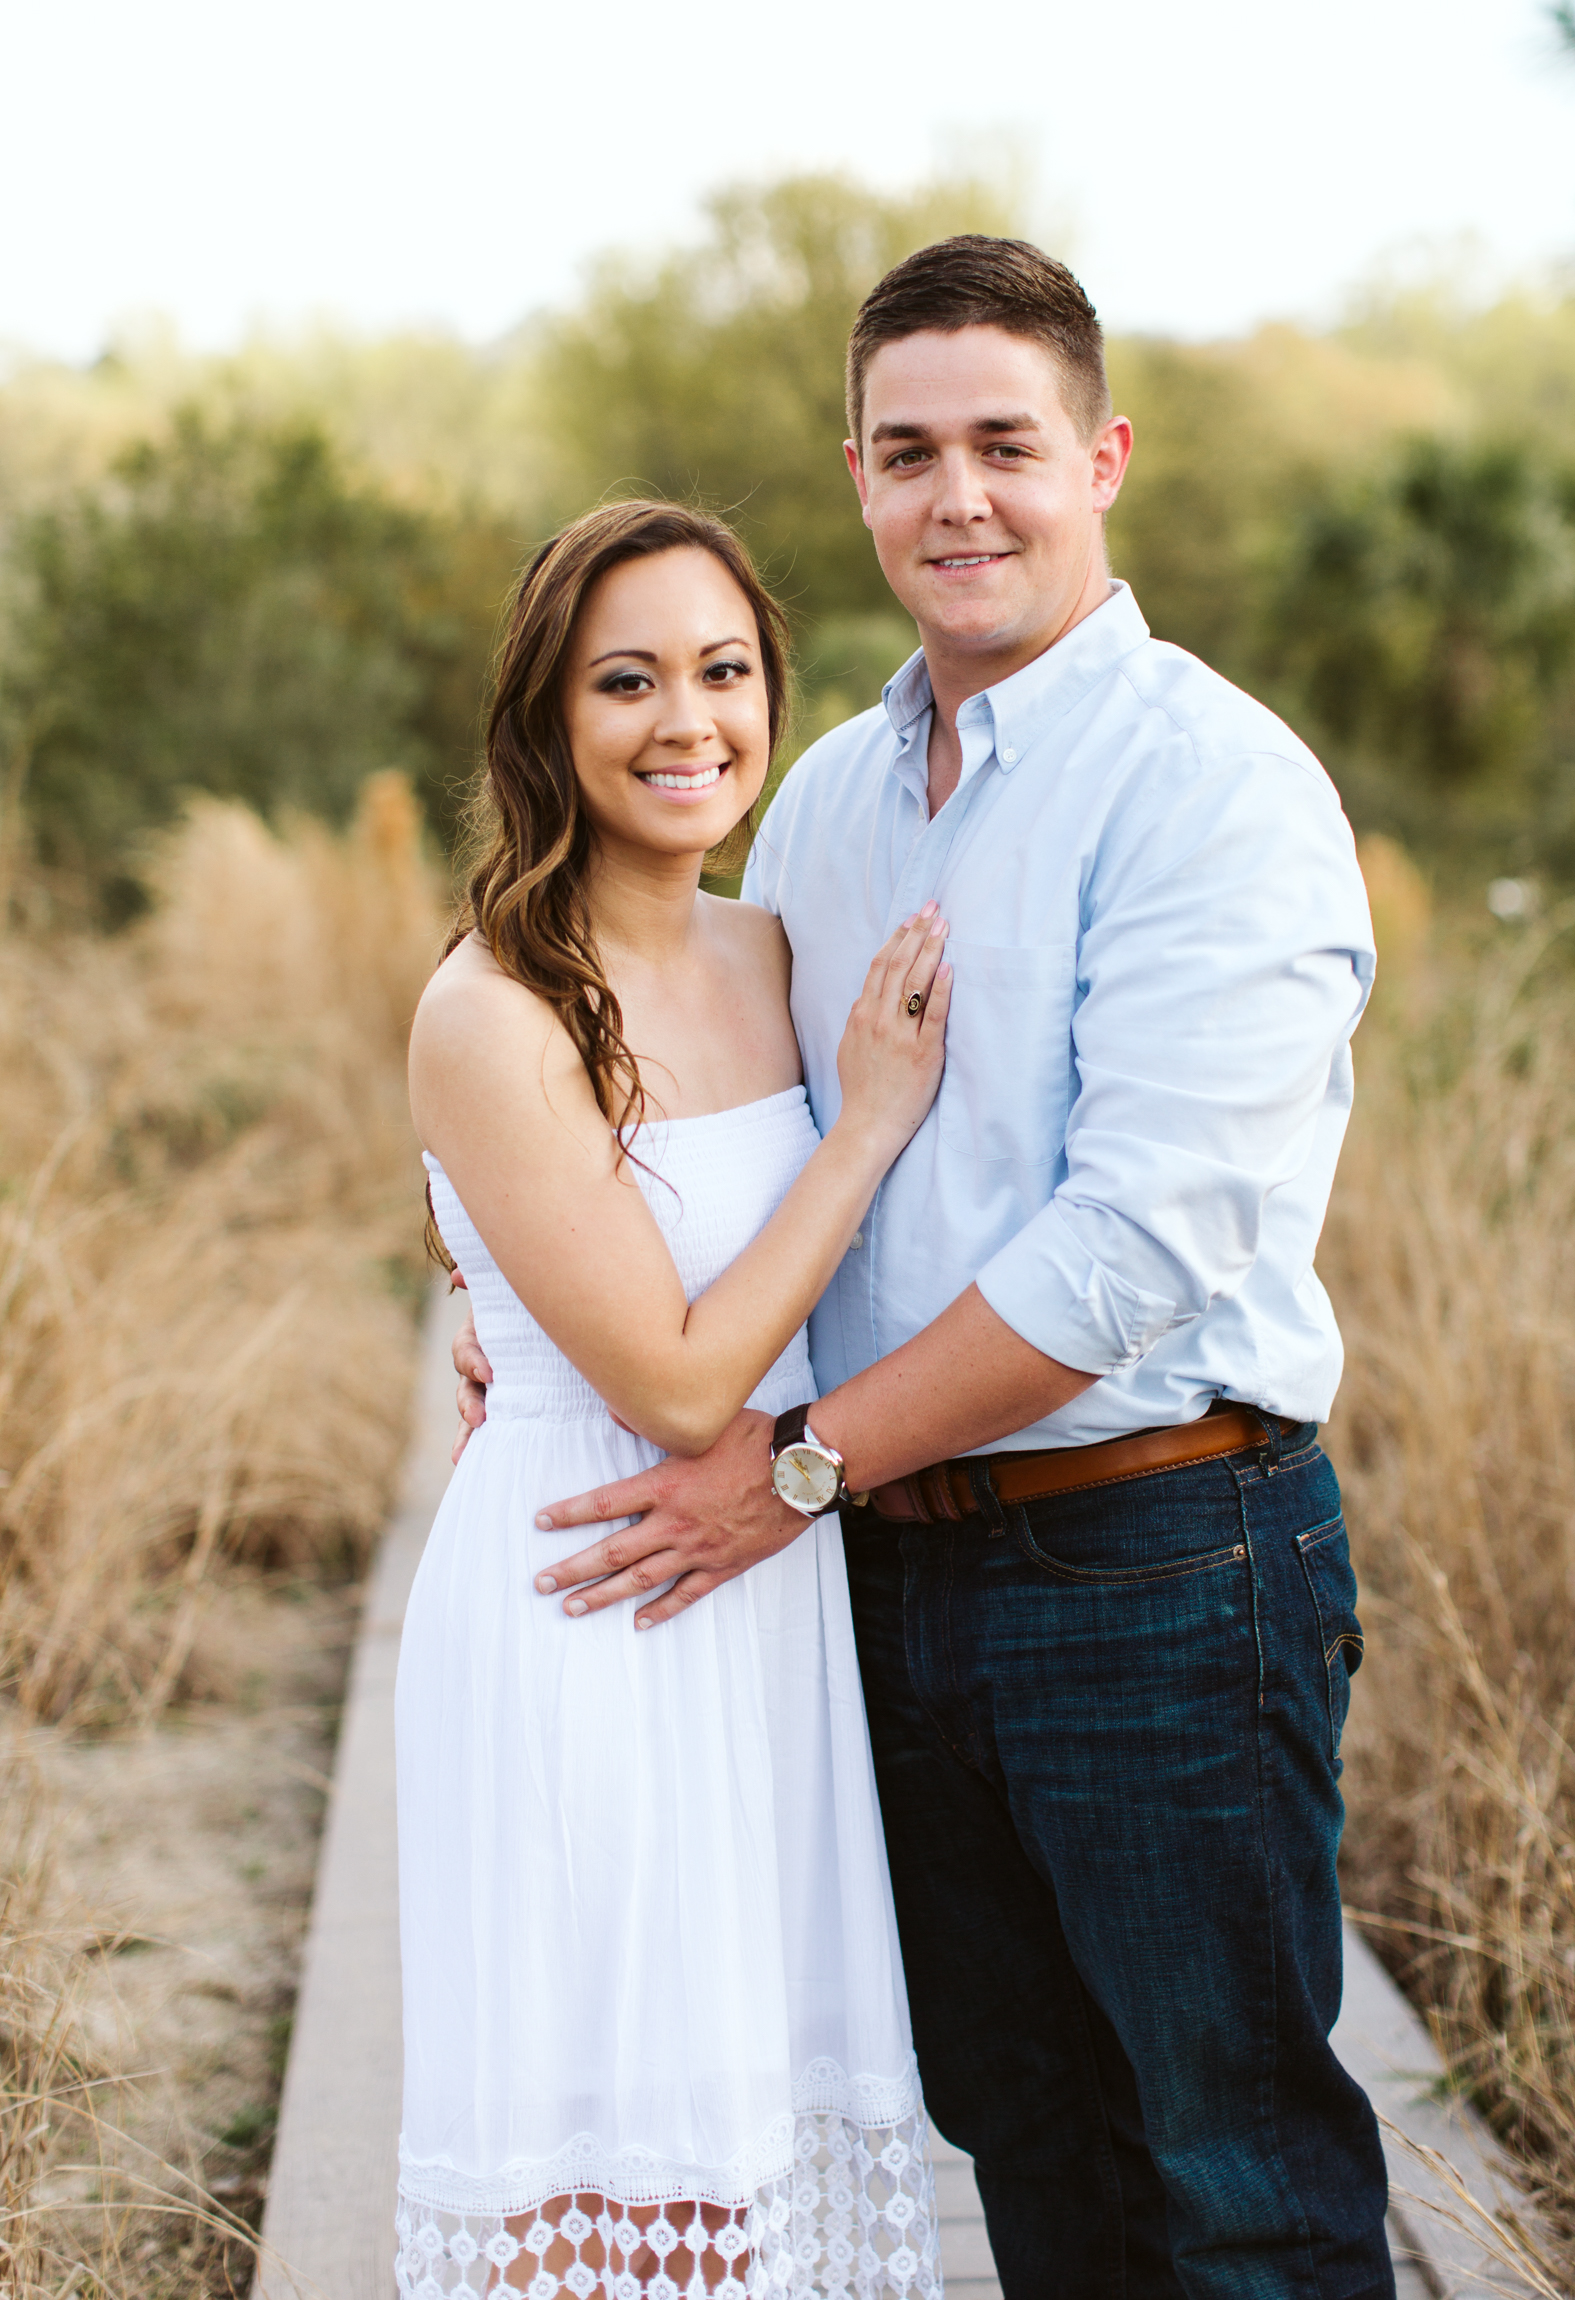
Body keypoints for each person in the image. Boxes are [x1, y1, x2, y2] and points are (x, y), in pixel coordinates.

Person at [462, 238, 1396, 2296]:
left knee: (1230, 2160)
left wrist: (794, 1461)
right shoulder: (818, 805)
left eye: (1004, 443)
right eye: (908, 452)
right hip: (886, 1586)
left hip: (1154, 1561)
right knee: (1025, 2144)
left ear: (1103, 457)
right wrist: (501, 1294)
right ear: (860, 479)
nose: (956, 495)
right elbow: (697, 1129)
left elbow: (1132, 1248)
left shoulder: (1210, 786)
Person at [396, 499, 951, 2300]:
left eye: (722, 672)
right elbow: (680, 1374)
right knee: (609, 2174)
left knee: (758, 2157)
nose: (684, 721)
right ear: (547, 720)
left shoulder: (774, 954)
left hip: (773, 1604)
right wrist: (865, 1122)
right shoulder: (498, 1008)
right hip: (592, 1593)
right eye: (624, 680)